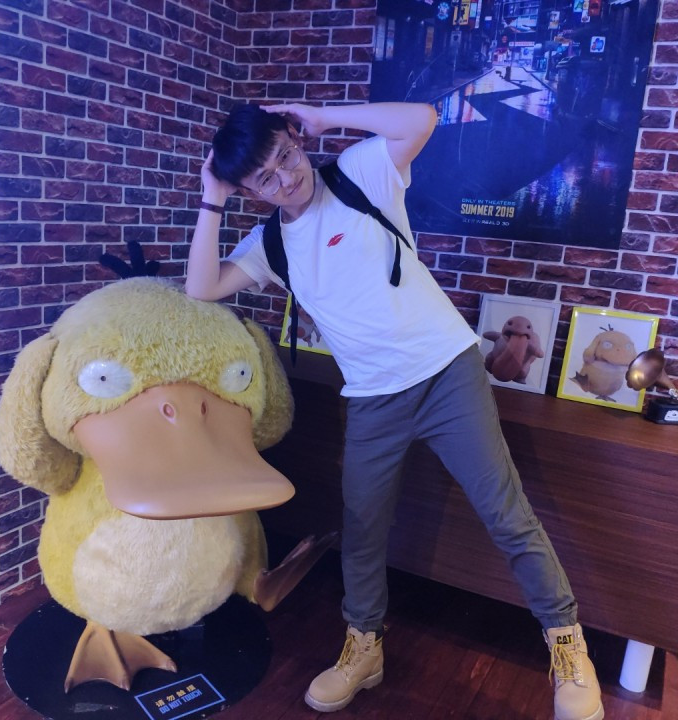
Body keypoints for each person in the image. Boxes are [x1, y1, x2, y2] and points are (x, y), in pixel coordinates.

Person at [185, 101, 604, 720]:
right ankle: (364, 648)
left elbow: (422, 119)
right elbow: (201, 288)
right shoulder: (270, 244)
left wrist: (321, 116)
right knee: (362, 531)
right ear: (250, 192)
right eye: (264, 178)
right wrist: (211, 196)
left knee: (506, 515)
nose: (285, 178)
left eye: (286, 156)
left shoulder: (360, 174)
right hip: (372, 398)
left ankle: (567, 646)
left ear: (297, 141)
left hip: (447, 374)